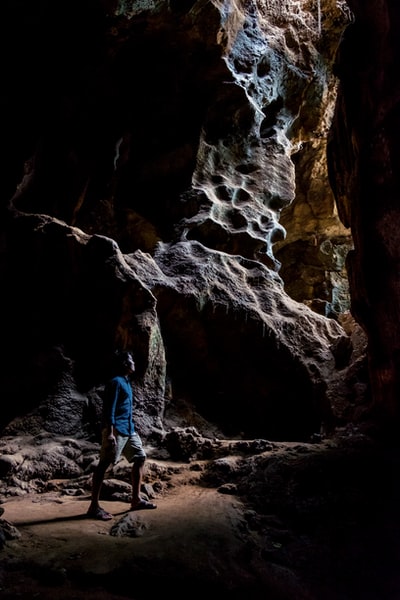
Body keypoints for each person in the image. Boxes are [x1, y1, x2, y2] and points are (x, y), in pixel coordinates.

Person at [87, 350, 157, 520]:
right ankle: (93, 507)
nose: (134, 363)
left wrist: (132, 428)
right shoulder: (116, 382)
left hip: (129, 429)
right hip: (116, 431)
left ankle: (135, 499)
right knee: (104, 465)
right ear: (125, 364)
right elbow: (109, 409)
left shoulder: (126, 382)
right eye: (131, 360)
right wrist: (110, 433)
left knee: (140, 457)